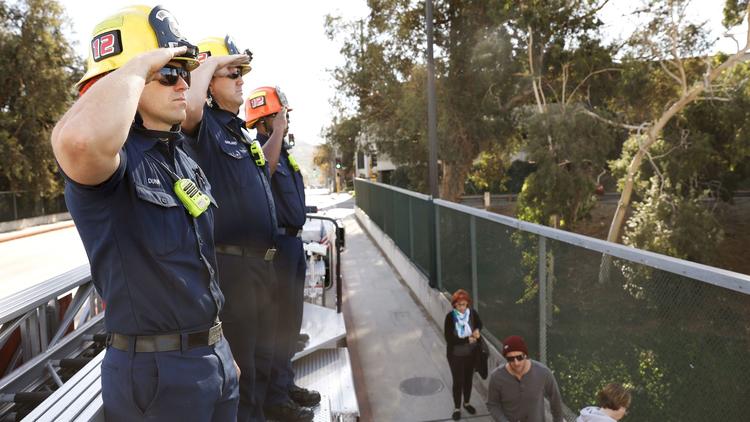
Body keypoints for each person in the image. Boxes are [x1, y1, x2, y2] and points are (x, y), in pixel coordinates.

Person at [51, 5, 238, 421]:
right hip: (158, 376)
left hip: (212, 358)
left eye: (185, 73)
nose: (183, 84)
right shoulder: (112, 165)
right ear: (126, 83)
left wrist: (221, 351)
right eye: (168, 73)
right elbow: (79, 142)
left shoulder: (179, 157)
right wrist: (138, 64)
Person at [182, 37, 313, 422]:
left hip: (262, 264)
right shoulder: (204, 127)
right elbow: (190, 109)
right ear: (207, 83)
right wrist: (210, 63)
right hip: (233, 266)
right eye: (232, 73)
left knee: (259, 356)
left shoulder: (237, 132)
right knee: (242, 362)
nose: (241, 80)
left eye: (241, 73)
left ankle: (267, 407)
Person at [245, 86, 322, 417]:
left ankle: (284, 384)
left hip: (292, 244)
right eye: (282, 116)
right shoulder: (260, 150)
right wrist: (275, 132)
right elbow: (265, 171)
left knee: (290, 322)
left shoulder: (282, 149)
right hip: (276, 247)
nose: (287, 121)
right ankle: (275, 401)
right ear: (267, 119)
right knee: (276, 326)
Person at [487, 335, 564, 422]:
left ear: (525, 355)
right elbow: (493, 405)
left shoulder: (543, 373)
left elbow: (556, 401)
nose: (516, 363)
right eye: (510, 359)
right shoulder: (496, 377)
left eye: (519, 357)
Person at [443, 289, 483, 420]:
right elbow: (449, 339)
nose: (462, 307)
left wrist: (477, 330)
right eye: (459, 304)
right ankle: (457, 408)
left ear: (467, 304)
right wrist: (467, 339)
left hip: (471, 354)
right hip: (455, 355)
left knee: (468, 379)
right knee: (458, 381)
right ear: (454, 304)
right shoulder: (450, 317)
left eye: (464, 304)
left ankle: (467, 403)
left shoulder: (472, 314)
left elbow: (479, 324)